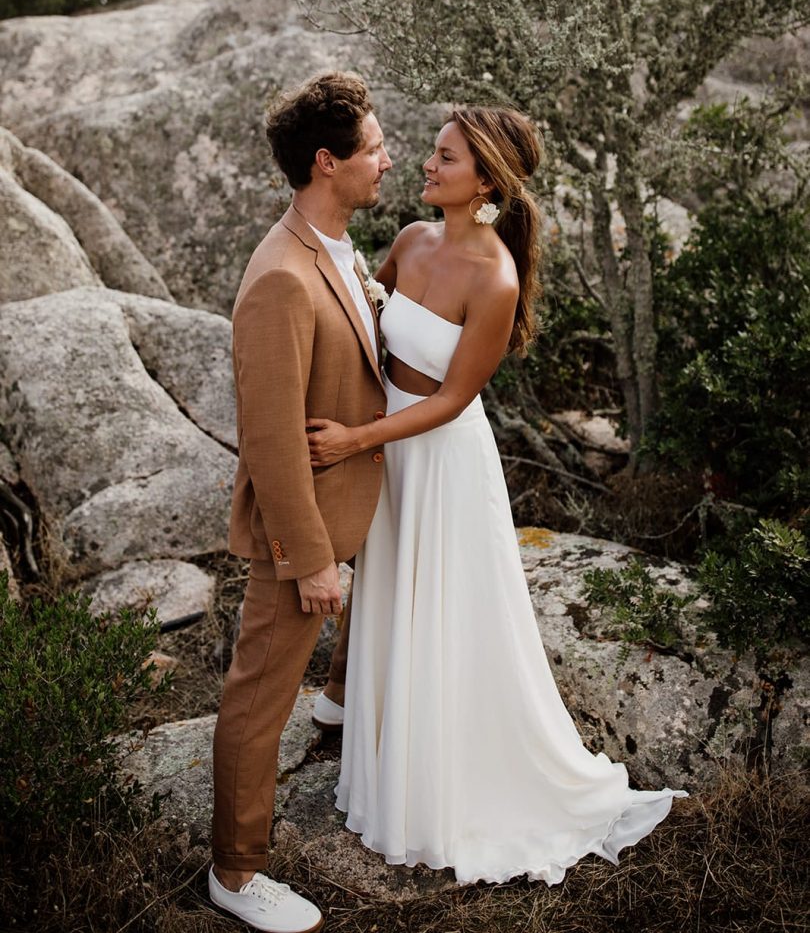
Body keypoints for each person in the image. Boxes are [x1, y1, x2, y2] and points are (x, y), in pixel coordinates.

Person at [306, 105, 689, 886]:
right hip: (391, 450)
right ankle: (382, 746)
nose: (425, 165)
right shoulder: (411, 241)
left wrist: (352, 440)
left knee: (445, 614)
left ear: (484, 179)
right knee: (391, 598)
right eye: (431, 154)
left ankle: (450, 782)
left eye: (444, 158)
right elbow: (359, 314)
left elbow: (450, 400)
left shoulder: (496, 278)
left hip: (440, 460)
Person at [209, 71, 392, 933]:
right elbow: (273, 439)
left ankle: (339, 698)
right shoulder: (281, 274)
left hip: (356, 506)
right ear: (328, 162)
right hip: (304, 534)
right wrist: (312, 557)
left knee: (299, 683)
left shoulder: (336, 247)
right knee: (255, 697)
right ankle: (237, 872)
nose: (387, 159)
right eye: (375, 146)